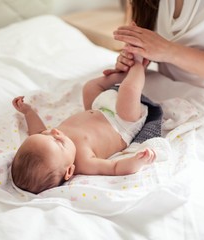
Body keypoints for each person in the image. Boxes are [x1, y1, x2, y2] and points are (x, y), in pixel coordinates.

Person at [11, 56, 157, 194]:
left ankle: (122, 74)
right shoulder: (84, 163)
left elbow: (37, 130)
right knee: (129, 90)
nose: (54, 131)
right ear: (69, 171)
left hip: (99, 108)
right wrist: (137, 161)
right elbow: (114, 168)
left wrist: (28, 112)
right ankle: (138, 66)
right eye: (58, 141)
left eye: (45, 134)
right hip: (122, 122)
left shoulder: (49, 144)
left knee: (89, 87)